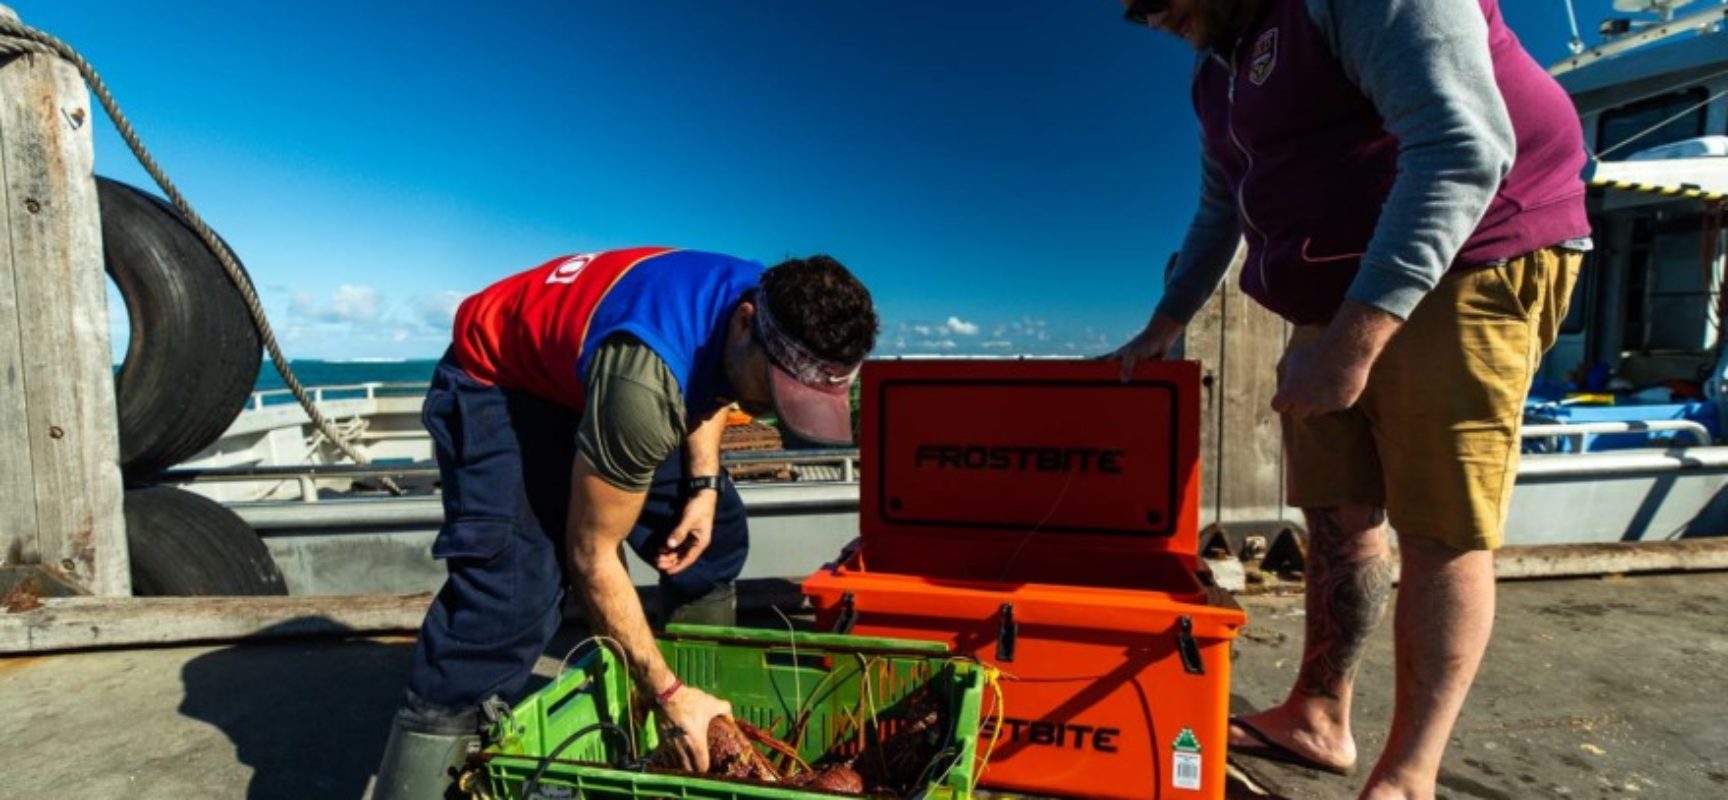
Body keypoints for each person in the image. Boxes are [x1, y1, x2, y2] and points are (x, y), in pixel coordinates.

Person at [1109, 1, 1589, 798]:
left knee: (1443, 525)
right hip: (1331, 285)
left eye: (1160, 1)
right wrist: (1165, 323)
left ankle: (1409, 775)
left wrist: (1353, 343)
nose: (1149, 19)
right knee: (1335, 509)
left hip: (1475, 253)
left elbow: (1462, 147)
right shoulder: (1214, 69)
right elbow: (1220, 206)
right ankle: (1317, 716)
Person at [372, 247, 879, 798]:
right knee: (510, 598)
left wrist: (703, 486)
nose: (772, 409)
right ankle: (420, 779)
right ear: (746, 323)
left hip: (606, 370)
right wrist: (665, 693)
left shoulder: (771, 302)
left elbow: (716, 381)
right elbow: (590, 554)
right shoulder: (645, 382)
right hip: (503, 383)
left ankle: (706, 731)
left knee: (714, 536)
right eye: (777, 389)